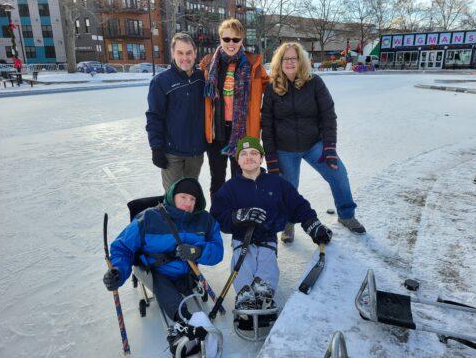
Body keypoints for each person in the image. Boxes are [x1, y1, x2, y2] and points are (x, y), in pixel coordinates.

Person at [210, 136, 332, 312]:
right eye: (243, 154)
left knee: (267, 263)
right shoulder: (229, 188)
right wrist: (238, 216)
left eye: (253, 153)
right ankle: (245, 295)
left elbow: (298, 205)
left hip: (267, 238)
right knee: (243, 263)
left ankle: (263, 293)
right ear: (238, 160)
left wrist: (313, 225)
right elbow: (218, 216)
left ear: (261, 158)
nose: (249, 157)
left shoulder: (277, 183)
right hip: (241, 240)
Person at [103, 178, 223, 353]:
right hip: (154, 271)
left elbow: (217, 251)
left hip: (187, 269)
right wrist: (118, 271)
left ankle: (190, 322)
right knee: (162, 283)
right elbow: (122, 247)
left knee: (185, 283)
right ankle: (183, 323)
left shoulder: (204, 220)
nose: (188, 203)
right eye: (183, 197)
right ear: (172, 196)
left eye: (193, 199)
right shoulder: (149, 217)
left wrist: (197, 251)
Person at [261, 42, 365, 243]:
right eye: (286, 58)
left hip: (314, 145)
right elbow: (267, 126)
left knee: (338, 173)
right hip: (285, 149)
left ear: (301, 61)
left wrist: (329, 147)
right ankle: (288, 223)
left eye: (294, 58)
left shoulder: (314, 83)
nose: (290, 62)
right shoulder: (272, 89)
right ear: (279, 62)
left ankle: (346, 215)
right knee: (288, 188)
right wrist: (271, 159)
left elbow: (328, 116)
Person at [200, 18, 269, 199]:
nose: (231, 43)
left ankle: (240, 216)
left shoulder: (253, 65)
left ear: (242, 40)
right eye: (227, 39)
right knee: (217, 179)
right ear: (220, 39)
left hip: (243, 132)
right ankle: (218, 215)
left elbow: (271, 91)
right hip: (216, 132)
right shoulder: (208, 65)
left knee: (241, 178)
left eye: (236, 39)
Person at [146, 33, 206, 192]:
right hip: (172, 154)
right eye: (180, 53)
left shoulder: (202, 78)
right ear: (173, 53)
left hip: (195, 153)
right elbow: (154, 117)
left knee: (190, 196)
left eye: (188, 53)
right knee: (174, 198)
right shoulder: (161, 82)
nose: (185, 57)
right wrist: (156, 148)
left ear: (195, 53)